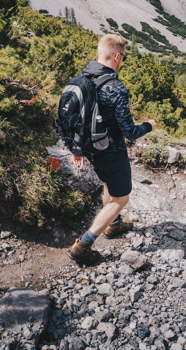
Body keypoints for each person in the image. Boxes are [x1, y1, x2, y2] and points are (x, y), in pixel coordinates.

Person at [67, 34, 156, 265]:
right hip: (111, 150)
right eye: (123, 58)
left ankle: (113, 225)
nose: (122, 62)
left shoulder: (81, 78)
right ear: (117, 56)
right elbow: (130, 131)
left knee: (108, 183)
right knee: (121, 198)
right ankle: (83, 245)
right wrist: (149, 126)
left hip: (90, 149)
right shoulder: (115, 87)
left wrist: (77, 150)